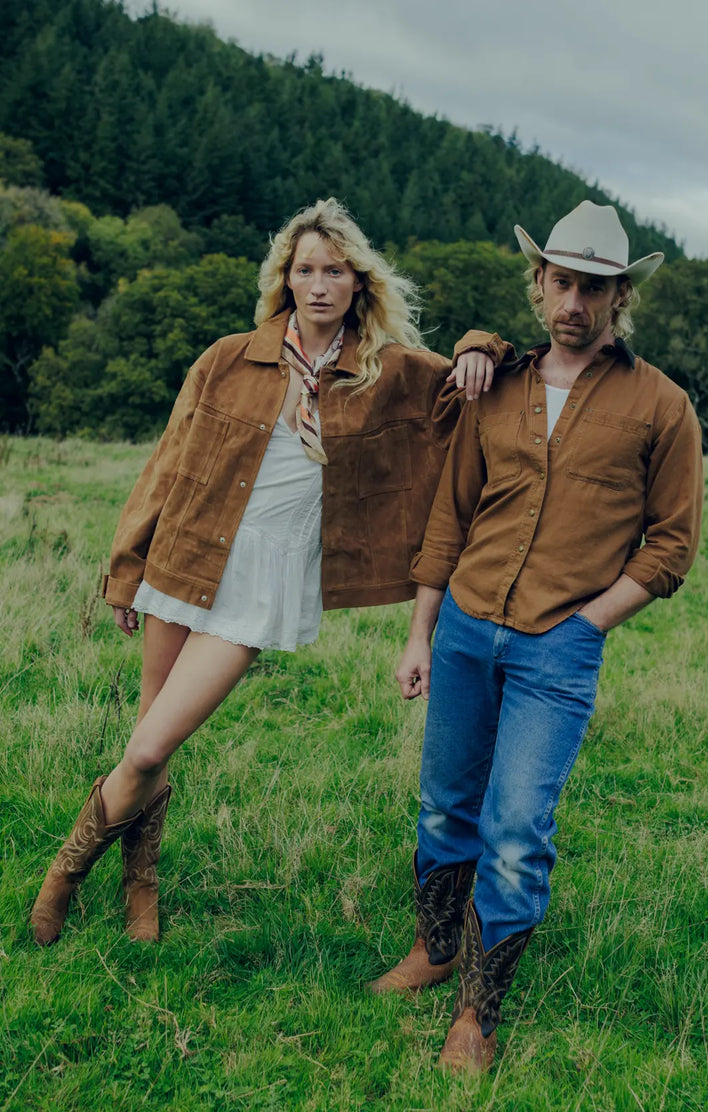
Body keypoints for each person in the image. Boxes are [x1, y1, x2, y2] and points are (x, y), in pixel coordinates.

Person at [30, 197, 464, 947]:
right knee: (151, 739)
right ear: (285, 279)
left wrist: (484, 340)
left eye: (335, 270)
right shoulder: (230, 357)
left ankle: (63, 873)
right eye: (305, 269)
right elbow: (168, 460)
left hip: (261, 582)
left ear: (358, 282)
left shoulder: (384, 370)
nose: (320, 283)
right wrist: (126, 566)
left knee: (145, 748)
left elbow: (472, 382)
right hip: (186, 555)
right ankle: (141, 885)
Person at [369, 200, 704, 1073]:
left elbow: (673, 543)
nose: (575, 302)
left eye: (595, 287)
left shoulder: (661, 406)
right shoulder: (498, 381)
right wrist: (420, 631)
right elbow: (450, 514)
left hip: (560, 648)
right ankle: (436, 946)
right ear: (540, 283)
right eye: (562, 281)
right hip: (466, 629)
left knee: (518, 825)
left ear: (619, 296)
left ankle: (479, 1007)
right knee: (446, 802)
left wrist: (587, 622)